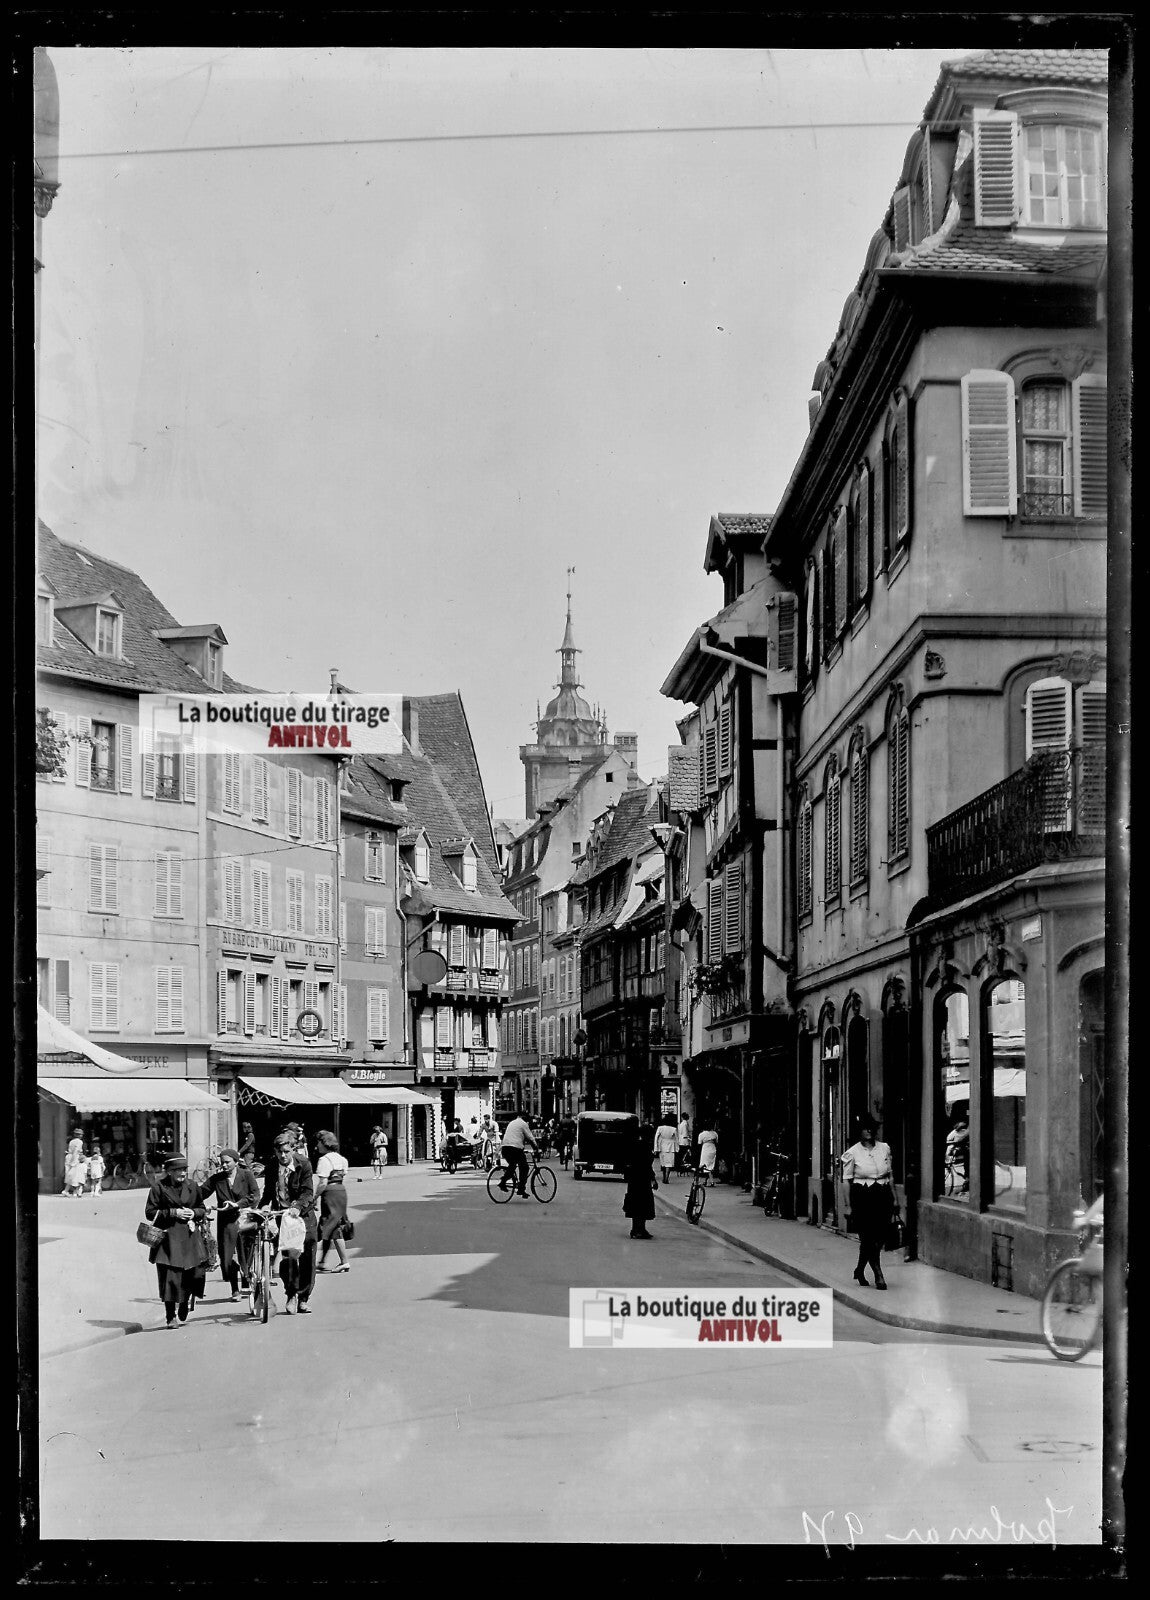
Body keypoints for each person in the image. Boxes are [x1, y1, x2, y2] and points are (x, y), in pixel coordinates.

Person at [144, 1153, 209, 1328]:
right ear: (169, 1171)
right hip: (168, 1239)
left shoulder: (193, 1186)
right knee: (170, 1279)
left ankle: (185, 1302)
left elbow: (202, 1208)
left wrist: (194, 1213)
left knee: (192, 1275)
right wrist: (173, 1213)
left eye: (184, 1169)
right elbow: (150, 1212)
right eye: (178, 1170)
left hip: (189, 1237)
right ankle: (170, 1316)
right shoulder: (158, 1188)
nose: (182, 1173)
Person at [261, 1130, 318, 1314]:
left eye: (286, 1151)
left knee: (307, 1257)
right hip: (283, 1219)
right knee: (288, 1258)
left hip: (304, 1217)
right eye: (279, 1152)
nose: (283, 1156)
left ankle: (303, 1297)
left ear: (293, 1149)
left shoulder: (304, 1164)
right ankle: (291, 1294)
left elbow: (308, 1192)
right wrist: (264, 1206)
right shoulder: (271, 1166)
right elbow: (269, 1191)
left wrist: (297, 1206)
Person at [841, 1116, 894, 1290]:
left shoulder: (884, 1148)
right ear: (859, 1131)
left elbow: (890, 1175)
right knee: (868, 1237)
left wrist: (895, 1198)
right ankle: (879, 1275)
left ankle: (860, 1268)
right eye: (865, 1128)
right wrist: (848, 1205)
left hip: (882, 1195)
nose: (868, 1131)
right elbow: (846, 1180)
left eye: (871, 1128)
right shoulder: (852, 1153)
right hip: (863, 1197)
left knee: (880, 1237)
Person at [202, 1147, 261, 1300]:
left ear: (236, 1162)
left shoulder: (246, 1175)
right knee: (226, 1259)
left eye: (228, 1162)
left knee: (245, 1255)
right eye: (222, 1163)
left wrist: (239, 1204)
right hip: (226, 1221)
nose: (224, 1166)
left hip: (245, 1219)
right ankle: (235, 1289)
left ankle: (246, 1277)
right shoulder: (217, 1178)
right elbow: (200, 1193)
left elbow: (255, 1195)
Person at [314, 1131, 351, 1274]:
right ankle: (322, 1261)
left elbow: (323, 1182)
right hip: (341, 1191)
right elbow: (342, 1176)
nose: (317, 1146)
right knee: (331, 1226)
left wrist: (315, 1197)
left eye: (319, 1143)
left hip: (330, 1193)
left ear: (325, 1144)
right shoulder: (342, 1159)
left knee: (332, 1227)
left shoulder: (324, 1160)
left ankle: (344, 1261)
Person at [623, 1123, 658, 1240]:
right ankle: (639, 1229)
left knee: (635, 1203)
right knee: (642, 1204)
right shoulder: (645, 1146)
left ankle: (637, 1229)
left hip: (634, 1179)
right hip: (642, 1179)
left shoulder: (634, 1144)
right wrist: (653, 1179)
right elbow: (647, 1165)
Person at [498, 1109, 537, 1197]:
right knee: (525, 1167)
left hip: (505, 1147)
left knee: (513, 1165)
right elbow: (530, 1138)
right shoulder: (523, 1124)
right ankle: (519, 1188)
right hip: (515, 1148)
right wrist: (536, 1148)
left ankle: (506, 1182)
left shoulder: (512, 1122)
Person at [653, 1118, 678, 1184]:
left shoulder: (660, 1128)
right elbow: (677, 1139)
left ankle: (664, 1177)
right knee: (669, 1164)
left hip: (662, 1146)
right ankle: (666, 1177)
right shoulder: (673, 1129)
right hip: (671, 1147)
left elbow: (656, 1138)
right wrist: (677, 1149)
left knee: (663, 1163)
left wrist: (656, 1148)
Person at [64, 1128, 86, 1197]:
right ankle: (73, 1191)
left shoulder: (71, 1141)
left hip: (68, 1157)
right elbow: (76, 1151)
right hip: (74, 1157)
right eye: (81, 1134)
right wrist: (73, 1161)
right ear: (79, 1135)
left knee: (69, 1175)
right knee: (75, 1175)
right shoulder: (79, 1142)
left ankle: (68, 1191)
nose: (81, 1136)